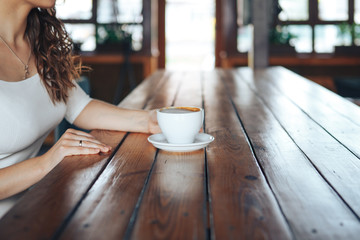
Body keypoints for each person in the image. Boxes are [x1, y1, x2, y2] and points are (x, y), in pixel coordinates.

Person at [0, 0, 160, 209]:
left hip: (24, 216)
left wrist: (149, 120)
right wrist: (47, 162)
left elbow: (77, 105)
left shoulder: (37, 38)